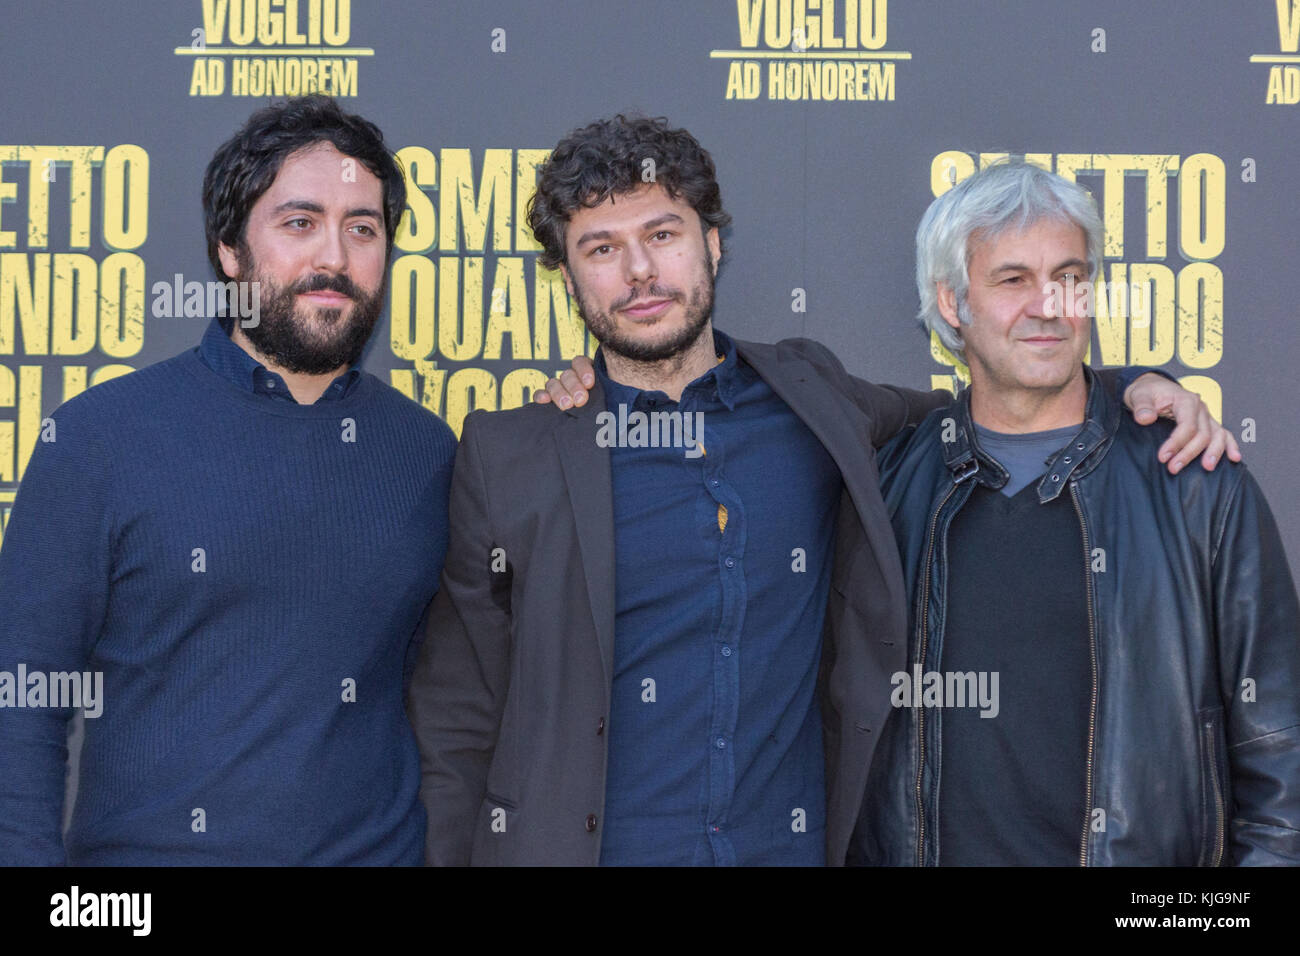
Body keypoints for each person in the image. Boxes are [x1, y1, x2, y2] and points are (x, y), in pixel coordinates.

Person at [408, 115, 1231, 866]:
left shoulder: (812, 398)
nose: (639, 272)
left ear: (713, 245)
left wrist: (1135, 389)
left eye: (663, 233)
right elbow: (459, 715)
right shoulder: (510, 452)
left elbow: (994, 398)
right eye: (600, 248)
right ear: (568, 275)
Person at [0, 95, 456, 865]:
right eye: (299, 222)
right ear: (229, 252)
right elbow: (21, 703)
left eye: (363, 228)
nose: (335, 259)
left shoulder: (428, 452)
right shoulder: (97, 439)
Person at [852, 159, 1299, 866]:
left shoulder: (1193, 478)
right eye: (1012, 280)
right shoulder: (886, 487)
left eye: (1069, 277)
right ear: (950, 302)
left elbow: (1282, 753)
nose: (1050, 306)